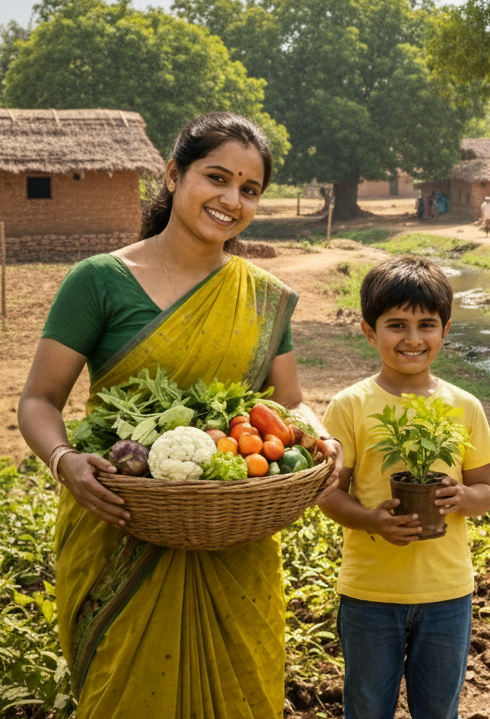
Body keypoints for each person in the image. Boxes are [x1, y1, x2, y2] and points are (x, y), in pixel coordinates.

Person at [16, 112, 342, 717]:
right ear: (172, 175)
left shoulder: (263, 296)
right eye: (216, 178)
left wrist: (320, 432)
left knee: (242, 687)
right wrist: (64, 461)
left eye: (249, 190)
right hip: (120, 524)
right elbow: (38, 400)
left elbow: (290, 401)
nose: (231, 200)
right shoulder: (100, 282)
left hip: (234, 536)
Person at [321, 257, 490, 719]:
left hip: (447, 593)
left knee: (439, 711)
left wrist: (462, 497)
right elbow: (329, 493)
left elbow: (485, 491)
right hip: (369, 594)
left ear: (446, 329)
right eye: (396, 325)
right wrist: (370, 520)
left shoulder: (464, 406)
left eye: (427, 325)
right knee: (366, 709)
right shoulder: (350, 406)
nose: (413, 338)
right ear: (368, 330)